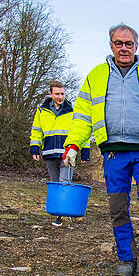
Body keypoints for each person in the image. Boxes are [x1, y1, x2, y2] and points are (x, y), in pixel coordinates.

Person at [63, 23, 139, 276]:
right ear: (111, 46)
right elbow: (82, 116)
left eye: (129, 43)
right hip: (113, 152)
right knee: (117, 207)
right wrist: (73, 144)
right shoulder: (95, 76)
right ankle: (126, 258)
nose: (124, 48)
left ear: (136, 46)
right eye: (119, 43)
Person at [29, 80, 90, 226]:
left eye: (62, 93)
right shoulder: (42, 111)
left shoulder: (73, 111)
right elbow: (36, 131)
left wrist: (85, 151)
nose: (60, 97)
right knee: (55, 183)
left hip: (67, 153)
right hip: (49, 153)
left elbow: (81, 131)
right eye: (57, 94)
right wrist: (34, 148)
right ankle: (58, 211)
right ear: (50, 94)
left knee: (64, 182)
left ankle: (62, 215)